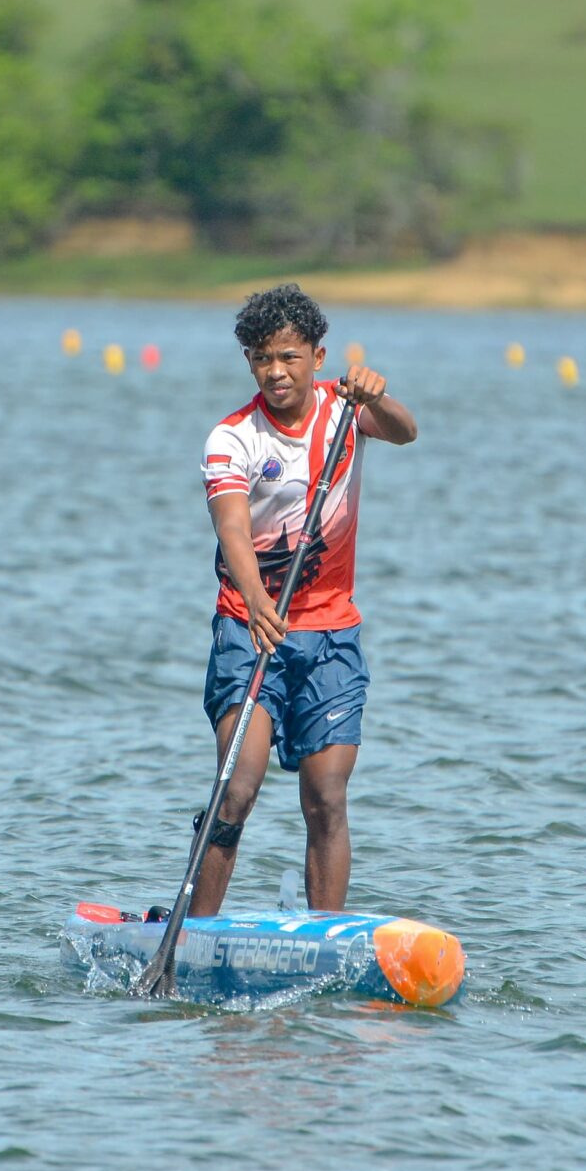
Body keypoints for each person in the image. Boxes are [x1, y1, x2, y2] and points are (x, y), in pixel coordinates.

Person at [189, 283, 416, 917]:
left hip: (330, 637)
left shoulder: (346, 410)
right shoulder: (231, 439)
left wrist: (379, 396)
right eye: (262, 359)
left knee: (327, 798)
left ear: (317, 356)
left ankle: (324, 935)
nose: (276, 372)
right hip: (249, 628)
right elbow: (232, 527)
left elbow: (407, 432)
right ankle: (193, 935)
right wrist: (258, 598)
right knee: (237, 789)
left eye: (289, 357)